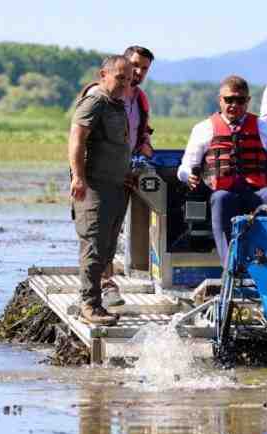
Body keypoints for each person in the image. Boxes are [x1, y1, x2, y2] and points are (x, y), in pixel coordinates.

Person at [178, 75, 267, 266]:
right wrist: (188, 176)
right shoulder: (203, 128)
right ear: (220, 100)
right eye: (229, 100)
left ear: (248, 101)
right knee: (221, 199)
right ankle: (231, 265)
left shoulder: (263, 128)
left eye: (240, 100)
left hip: (255, 192)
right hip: (223, 192)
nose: (234, 105)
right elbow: (185, 166)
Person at [69, 55, 133, 325]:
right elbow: (76, 139)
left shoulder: (117, 104)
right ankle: (90, 306)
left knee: (107, 248)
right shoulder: (95, 101)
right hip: (94, 186)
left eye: (128, 79)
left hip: (116, 186)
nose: (124, 84)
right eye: (120, 78)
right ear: (103, 74)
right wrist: (78, 178)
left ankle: (93, 301)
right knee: (93, 246)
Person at [98, 45, 155, 308]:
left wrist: (145, 143)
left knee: (114, 229)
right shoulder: (103, 95)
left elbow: (142, 132)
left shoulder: (140, 99)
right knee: (99, 231)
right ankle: (105, 287)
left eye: (144, 68)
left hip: (126, 170)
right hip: (100, 172)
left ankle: (108, 281)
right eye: (134, 65)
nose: (138, 72)